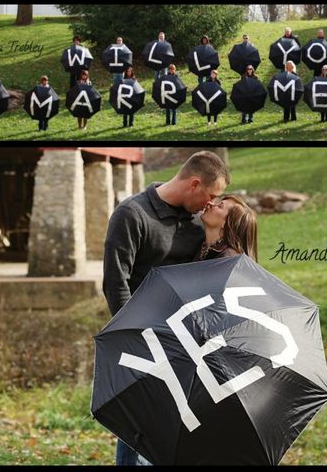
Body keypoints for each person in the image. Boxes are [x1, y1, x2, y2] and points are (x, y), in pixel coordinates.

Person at [103, 151, 230, 466]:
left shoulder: (199, 223)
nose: (211, 204)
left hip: (184, 342)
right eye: (211, 196)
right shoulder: (132, 214)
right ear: (195, 184)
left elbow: (206, 281)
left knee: (175, 428)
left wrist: (213, 234)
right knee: (138, 428)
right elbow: (115, 283)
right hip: (139, 340)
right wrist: (135, 336)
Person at [195, 195, 258, 262]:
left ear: (227, 223)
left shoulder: (227, 259)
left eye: (219, 206)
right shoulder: (202, 246)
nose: (210, 204)